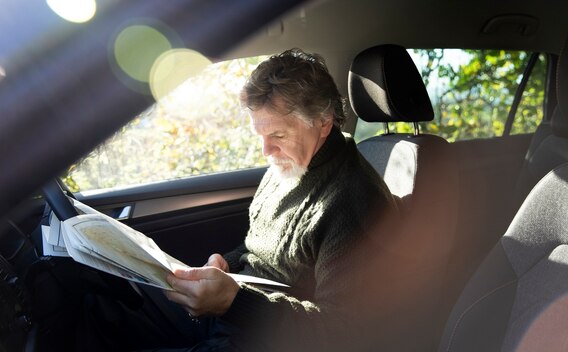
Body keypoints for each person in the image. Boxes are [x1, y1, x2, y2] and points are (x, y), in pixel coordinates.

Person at [81, 48, 397, 352]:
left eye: (278, 136)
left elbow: (344, 333)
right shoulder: (290, 165)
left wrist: (235, 301)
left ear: (323, 122)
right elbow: (259, 251)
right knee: (99, 303)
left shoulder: (352, 201)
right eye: (259, 136)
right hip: (237, 319)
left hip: (268, 339)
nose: (265, 151)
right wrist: (227, 264)